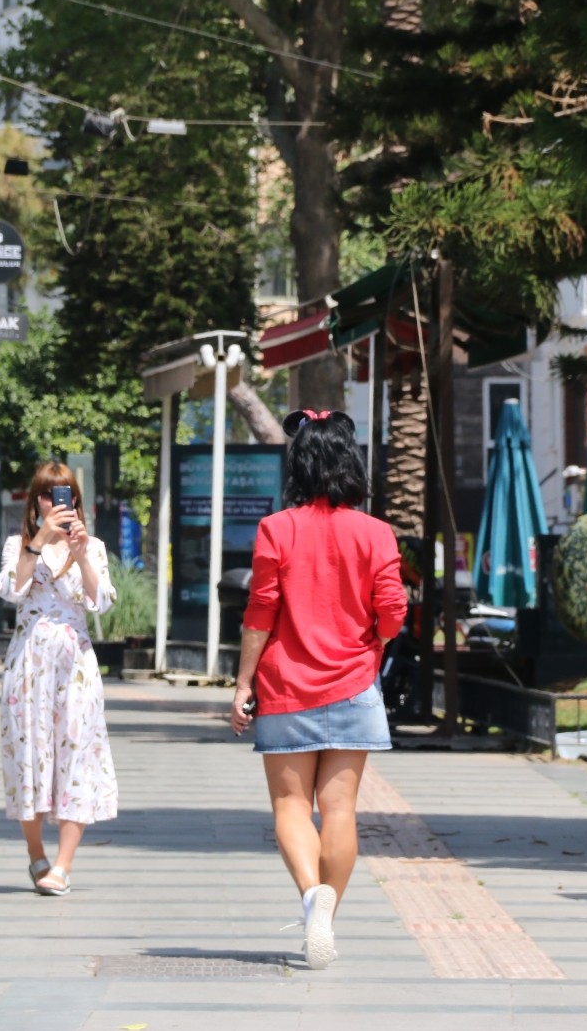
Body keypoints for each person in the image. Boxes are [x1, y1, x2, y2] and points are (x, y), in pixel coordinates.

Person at [229, 410, 408, 969]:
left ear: (298, 463)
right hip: (355, 685)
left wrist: (242, 684)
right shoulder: (376, 533)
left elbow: (260, 612)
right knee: (341, 811)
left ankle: (312, 898)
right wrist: (371, 645)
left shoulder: (276, 529)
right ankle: (326, 914)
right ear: (351, 462)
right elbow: (394, 612)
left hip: (285, 685)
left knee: (289, 805)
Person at [0, 462, 118, 895]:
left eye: (64, 495)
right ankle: (36, 855)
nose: (55, 503)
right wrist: (40, 541)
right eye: (48, 495)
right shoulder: (19, 545)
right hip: (29, 663)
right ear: (36, 502)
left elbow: (100, 601)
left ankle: (63, 866)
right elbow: (10, 590)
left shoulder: (93, 547)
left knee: (77, 754)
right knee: (29, 753)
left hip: (76, 664)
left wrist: (80, 554)